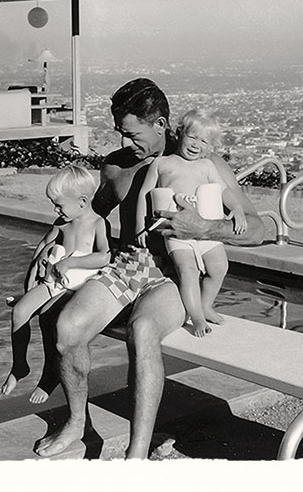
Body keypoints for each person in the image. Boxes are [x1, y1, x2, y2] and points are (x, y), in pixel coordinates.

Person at [34, 78, 265, 460]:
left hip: (175, 274)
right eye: (121, 133)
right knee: (68, 328)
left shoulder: (200, 162)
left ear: (160, 124)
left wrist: (205, 228)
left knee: (142, 331)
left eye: (132, 134)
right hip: (128, 266)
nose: (125, 142)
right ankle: (76, 423)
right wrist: (50, 242)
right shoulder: (116, 167)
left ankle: (136, 455)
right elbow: (88, 213)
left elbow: (257, 229)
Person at [0, 165, 111, 403]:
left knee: (49, 317)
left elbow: (104, 257)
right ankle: (19, 366)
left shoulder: (97, 224)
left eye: (59, 205)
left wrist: (71, 262)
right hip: (53, 283)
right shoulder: (62, 223)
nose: (55, 210)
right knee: (19, 312)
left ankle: (49, 375)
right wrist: (31, 280)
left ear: (82, 201)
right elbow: (42, 247)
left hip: (77, 288)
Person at [135, 109, 247, 337]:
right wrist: (140, 225)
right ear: (180, 134)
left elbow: (224, 191)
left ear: (210, 147)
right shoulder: (162, 163)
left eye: (204, 141)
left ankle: (206, 305)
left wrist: (237, 209)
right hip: (176, 231)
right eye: (192, 137)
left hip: (203, 227)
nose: (196, 144)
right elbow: (144, 194)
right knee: (188, 270)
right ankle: (196, 317)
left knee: (219, 267)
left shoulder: (207, 166)